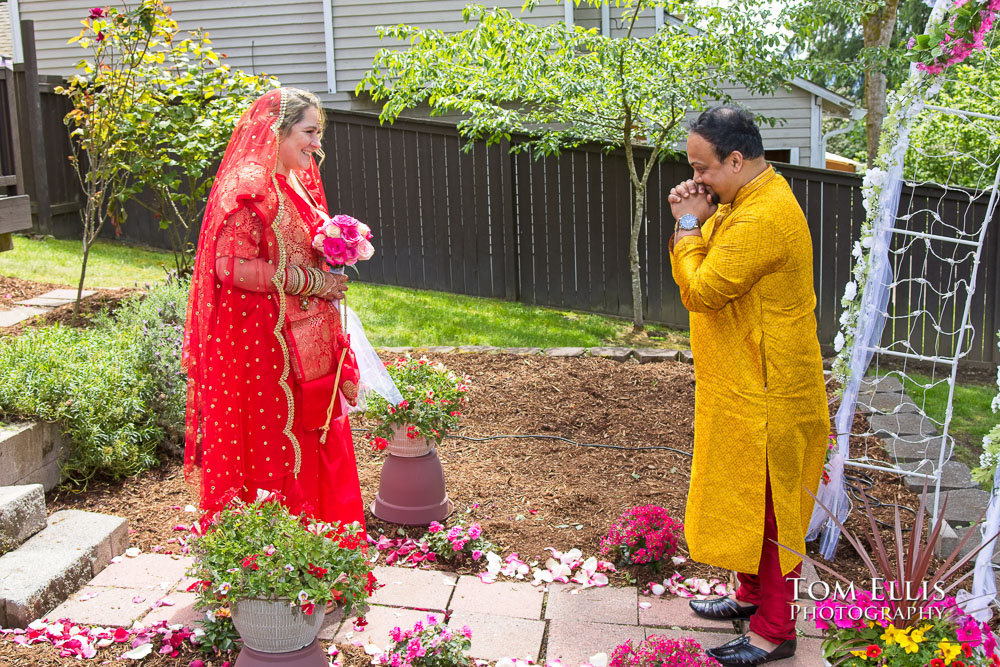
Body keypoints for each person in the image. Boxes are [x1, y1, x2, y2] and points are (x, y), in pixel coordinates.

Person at [667, 106, 829, 666]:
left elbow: (705, 288)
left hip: (772, 395)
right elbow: (708, 255)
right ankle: (750, 599)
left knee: (770, 514)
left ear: (736, 160)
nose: (694, 180)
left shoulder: (764, 217)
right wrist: (699, 219)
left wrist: (689, 224)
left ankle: (774, 631)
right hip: (746, 386)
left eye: (702, 167)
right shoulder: (747, 202)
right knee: (744, 494)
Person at [183, 88, 366, 531]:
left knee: (315, 435)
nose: (316, 145)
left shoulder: (293, 180)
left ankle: (321, 548)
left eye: (318, 133)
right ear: (275, 131)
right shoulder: (250, 185)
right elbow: (230, 266)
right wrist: (315, 282)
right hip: (266, 350)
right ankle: (275, 561)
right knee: (278, 446)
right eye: (308, 132)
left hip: (306, 340)